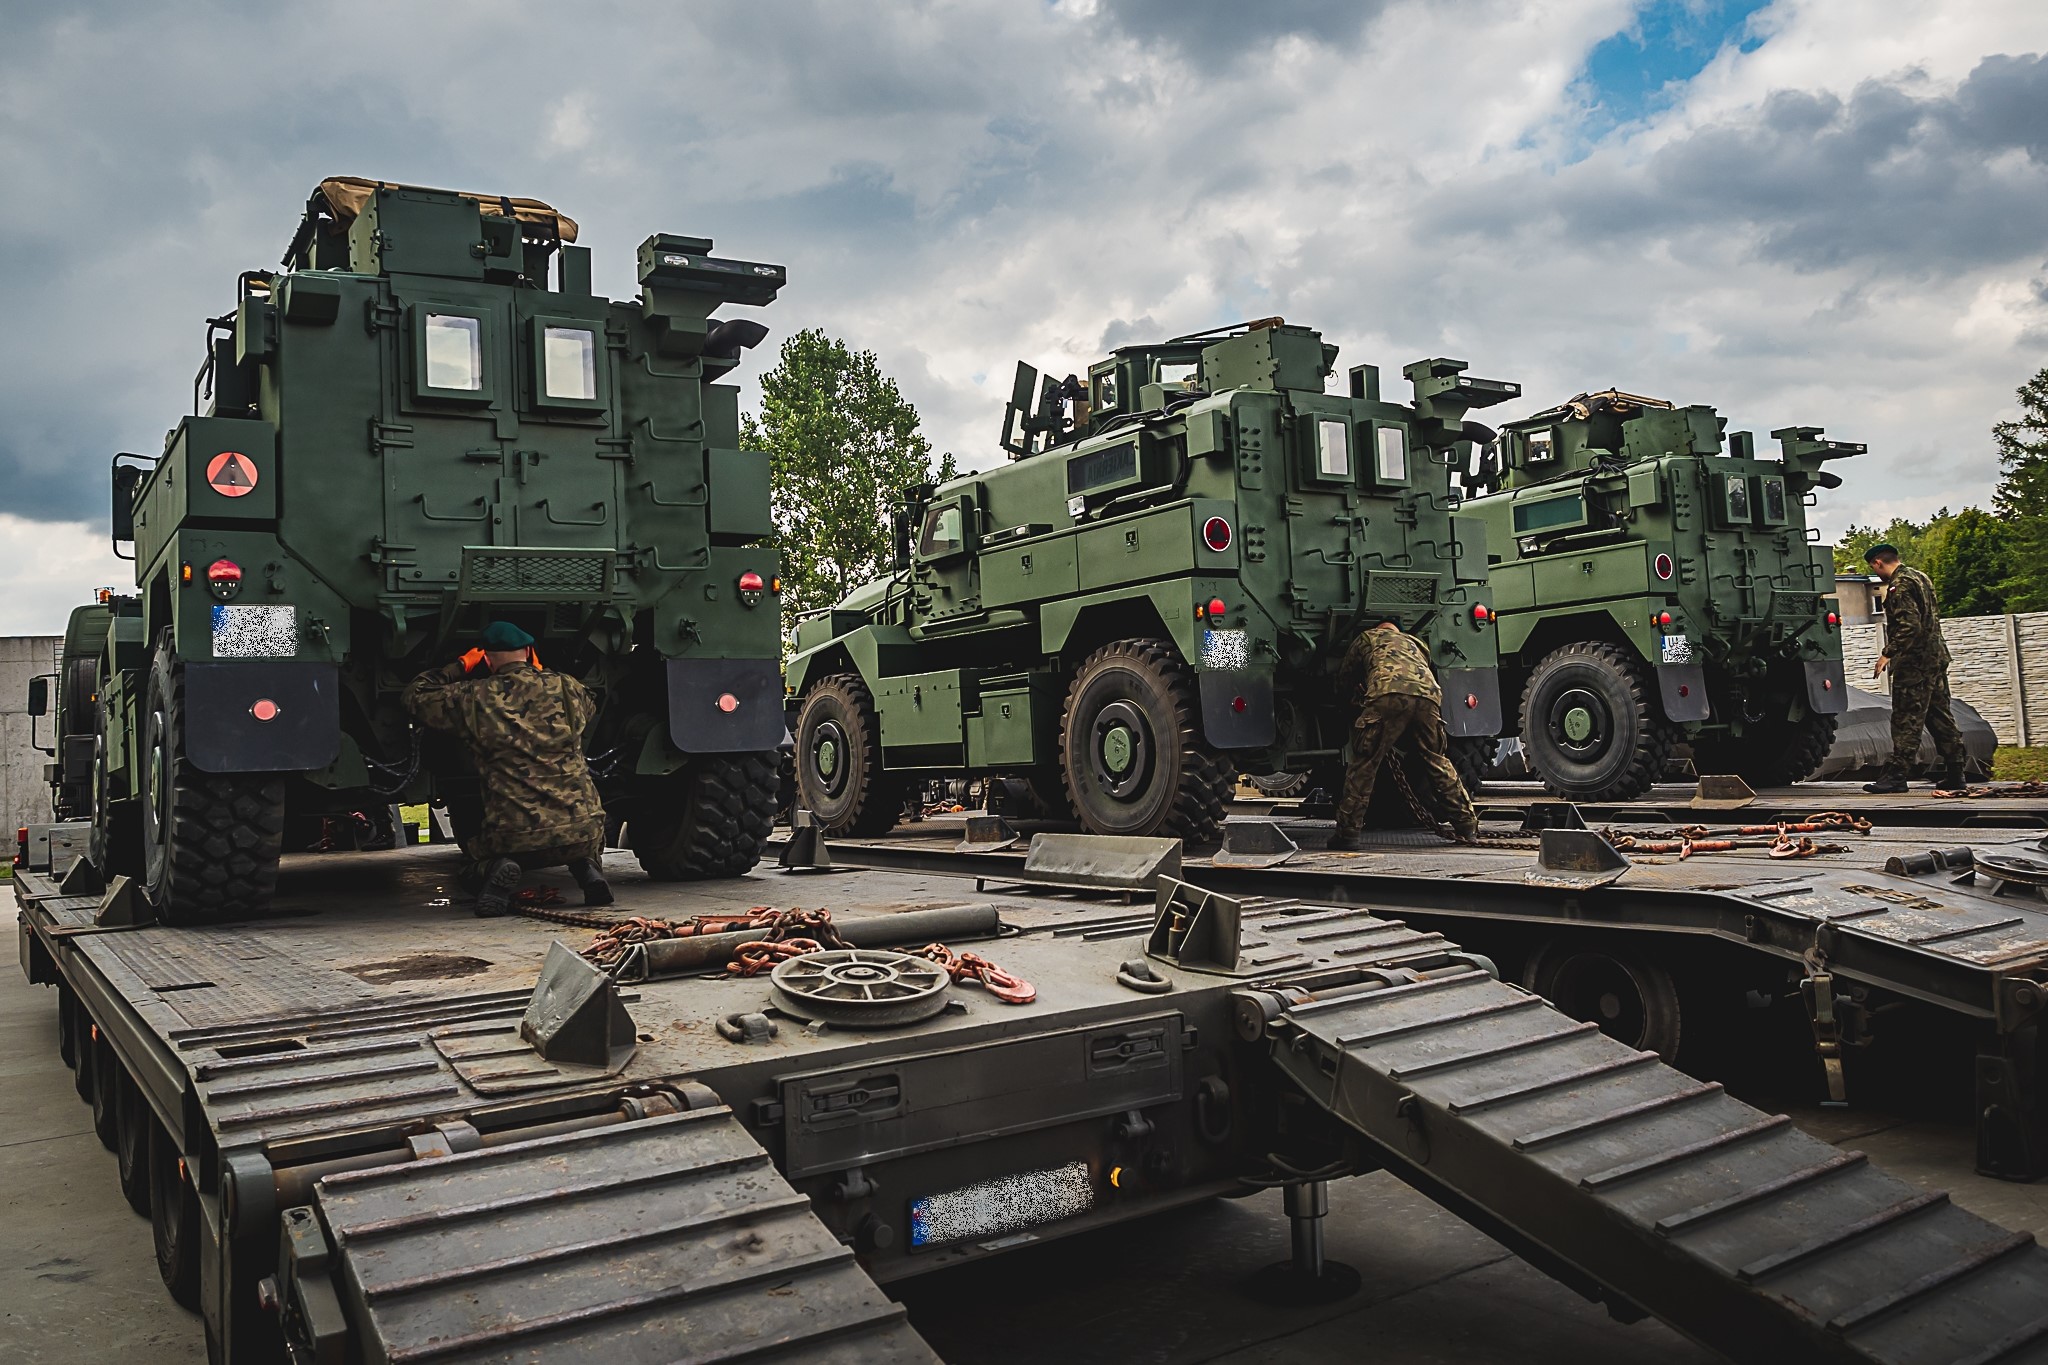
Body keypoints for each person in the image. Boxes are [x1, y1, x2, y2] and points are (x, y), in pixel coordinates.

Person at [405, 621, 612, 915]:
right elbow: (588, 703)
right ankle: (588, 869)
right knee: (581, 836)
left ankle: (501, 868)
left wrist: (460, 665)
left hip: (514, 837)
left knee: (469, 865)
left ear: (486, 659)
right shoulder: (566, 687)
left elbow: (415, 696)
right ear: (529, 652)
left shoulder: (475, 696)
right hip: (583, 834)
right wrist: (542, 674)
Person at [1328, 620, 1479, 851]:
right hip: (1428, 699)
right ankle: (1467, 824)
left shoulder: (1368, 638)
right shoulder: (1417, 643)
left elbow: (1346, 677)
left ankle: (1348, 832)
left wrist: (1348, 703)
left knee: (1365, 765)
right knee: (1437, 760)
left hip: (1387, 695)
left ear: (1379, 628)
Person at [1863, 542, 1970, 794]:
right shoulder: (1921, 577)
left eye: (1873, 567)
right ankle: (1956, 772)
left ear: (1878, 562)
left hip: (1915, 662)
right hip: (1936, 657)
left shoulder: (1899, 586)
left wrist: (1887, 654)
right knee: (1940, 715)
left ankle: (1897, 775)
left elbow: (1910, 626)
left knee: (1906, 718)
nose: (1876, 572)